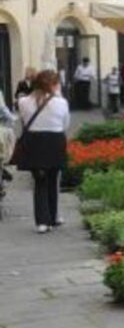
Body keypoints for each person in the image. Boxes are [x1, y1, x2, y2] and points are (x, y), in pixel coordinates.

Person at [18, 70, 70, 234]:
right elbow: (65, 124)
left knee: (39, 181)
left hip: (34, 142)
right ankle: (53, 217)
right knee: (53, 179)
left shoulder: (23, 101)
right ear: (54, 85)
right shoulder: (61, 102)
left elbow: (24, 121)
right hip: (54, 141)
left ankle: (42, 221)